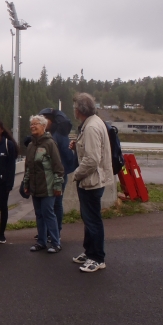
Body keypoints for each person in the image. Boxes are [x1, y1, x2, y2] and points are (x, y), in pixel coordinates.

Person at [70, 93, 113, 273]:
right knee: (89, 219)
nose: (73, 110)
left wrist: (77, 174)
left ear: (79, 110)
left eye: (74, 107)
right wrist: (77, 146)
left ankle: (97, 258)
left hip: (91, 181)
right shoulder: (93, 123)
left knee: (93, 220)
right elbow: (90, 152)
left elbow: (92, 159)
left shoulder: (91, 128)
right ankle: (90, 252)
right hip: (91, 180)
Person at [23, 115, 64, 253]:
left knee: (48, 213)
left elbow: (58, 167)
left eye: (36, 124)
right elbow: (28, 167)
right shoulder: (30, 145)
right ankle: (41, 241)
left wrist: (58, 186)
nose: (33, 126)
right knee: (39, 214)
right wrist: (26, 184)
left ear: (43, 126)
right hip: (35, 187)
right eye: (31, 124)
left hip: (48, 187)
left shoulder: (50, 143)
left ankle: (56, 242)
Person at [39, 108, 76, 237]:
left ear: (51, 119)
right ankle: (46, 232)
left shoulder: (60, 133)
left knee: (56, 203)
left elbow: (67, 154)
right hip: (45, 175)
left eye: (45, 119)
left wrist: (53, 111)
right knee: (47, 205)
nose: (42, 122)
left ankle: (55, 231)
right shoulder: (45, 133)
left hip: (59, 173)